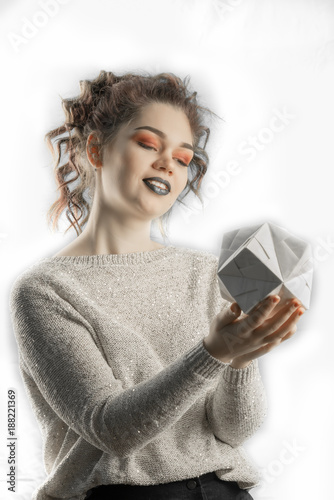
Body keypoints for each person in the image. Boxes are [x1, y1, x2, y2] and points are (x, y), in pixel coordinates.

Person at [9, 70, 305, 500]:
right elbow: (111, 430)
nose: (168, 162)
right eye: (148, 144)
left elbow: (233, 429)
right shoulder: (45, 291)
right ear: (96, 150)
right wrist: (215, 352)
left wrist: (240, 359)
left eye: (184, 158)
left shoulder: (207, 273)